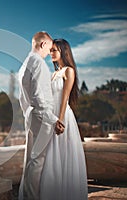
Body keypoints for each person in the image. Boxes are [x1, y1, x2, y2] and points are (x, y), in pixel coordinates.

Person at [18, 31, 65, 200]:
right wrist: (54, 119)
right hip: (41, 116)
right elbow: (39, 96)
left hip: (31, 115)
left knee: (30, 161)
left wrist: (27, 113)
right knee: (37, 162)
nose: (49, 53)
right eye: (50, 48)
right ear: (43, 44)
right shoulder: (38, 62)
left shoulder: (25, 63)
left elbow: (22, 97)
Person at [39, 38, 88, 200]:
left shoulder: (69, 71)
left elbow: (65, 97)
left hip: (62, 116)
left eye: (54, 50)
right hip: (52, 117)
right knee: (51, 157)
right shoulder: (54, 73)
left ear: (63, 52)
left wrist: (59, 121)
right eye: (51, 50)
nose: (51, 53)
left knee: (61, 155)